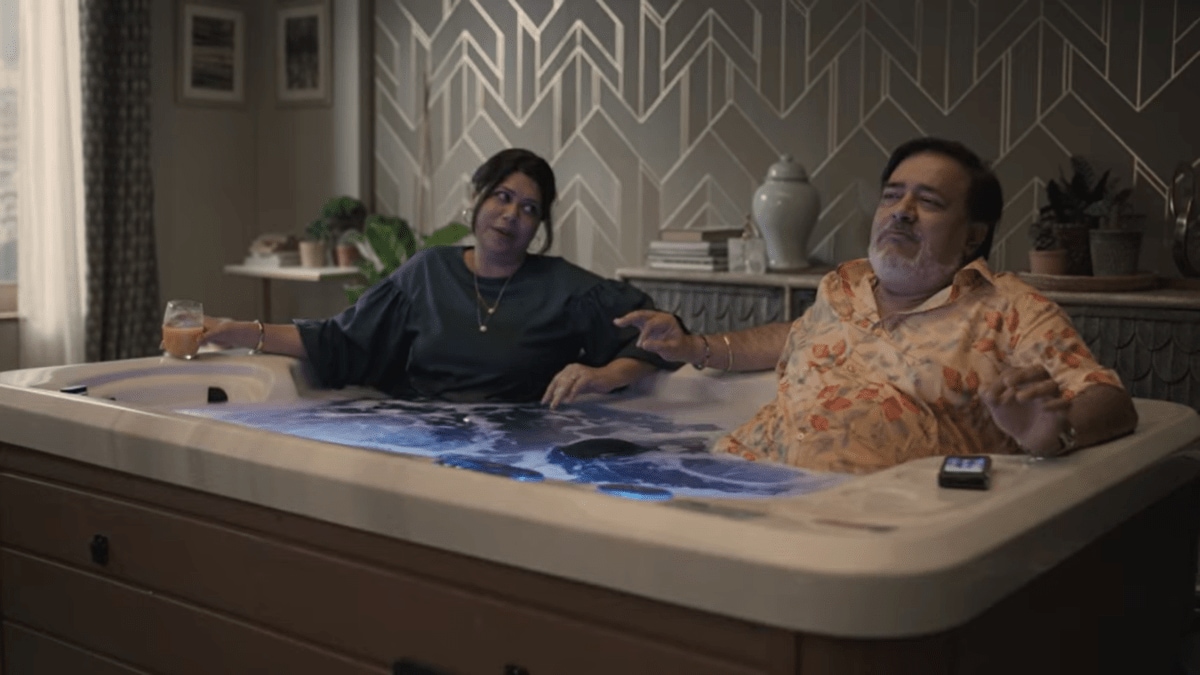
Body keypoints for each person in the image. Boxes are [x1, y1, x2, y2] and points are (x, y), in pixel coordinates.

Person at [617, 137, 1138, 473]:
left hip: (875, 516)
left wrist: (1052, 434)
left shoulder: (1010, 307)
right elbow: (795, 334)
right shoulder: (843, 287)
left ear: (974, 234)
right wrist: (695, 347)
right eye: (892, 196)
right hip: (743, 474)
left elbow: (1111, 400)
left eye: (928, 202)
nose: (901, 212)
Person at [200, 148, 676, 407]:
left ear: (539, 227)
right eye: (502, 197)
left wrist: (604, 375)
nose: (511, 215)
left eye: (529, 209)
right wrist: (237, 331)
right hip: (422, 432)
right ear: (477, 198)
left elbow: (658, 335)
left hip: (517, 447)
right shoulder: (428, 272)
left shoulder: (564, 288)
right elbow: (341, 339)